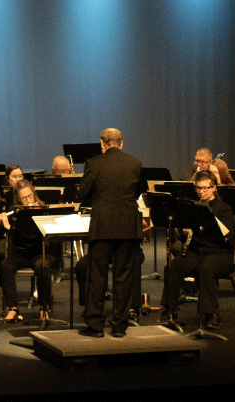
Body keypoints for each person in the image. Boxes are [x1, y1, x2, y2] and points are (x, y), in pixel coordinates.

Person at [76, 128, 143, 338]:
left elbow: (82, 193)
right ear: (121, 143)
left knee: (97, 276)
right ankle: (119, 326)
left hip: (102, 227)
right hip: (127, 228)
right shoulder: (135, 163)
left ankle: (95, 326)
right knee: (123, 277)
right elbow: (137, 192)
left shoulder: (94, 163)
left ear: (102, 144)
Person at [159, 172, 235, 329]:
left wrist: (209, 228)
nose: (201, 192)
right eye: (198, 188)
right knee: (173, 267)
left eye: (205, 188)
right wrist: (185, 232)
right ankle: (169, 311)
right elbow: (182, 238)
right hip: (196, 251)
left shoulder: (224, 208)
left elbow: (230, 236)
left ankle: (211, 315)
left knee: (206, 268)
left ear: (214, 188)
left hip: (219, 253)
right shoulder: (194, 207)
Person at [0, 180, 56, 323]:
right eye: (24, 198)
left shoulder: (43, 210)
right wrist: (5, 224)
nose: (29, 200)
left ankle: (43, 307)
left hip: (40, 252)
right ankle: (13, 309)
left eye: (30, 196)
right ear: (19, 200)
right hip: (20, 253)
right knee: (5, 265)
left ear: (34, 194)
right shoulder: (15, 212)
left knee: (43, 266)